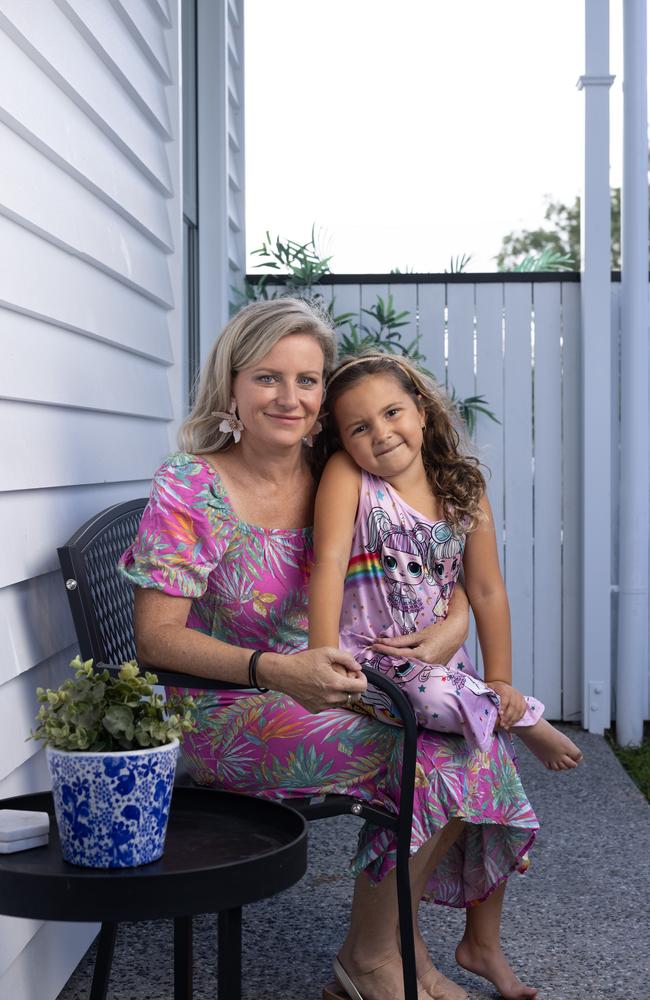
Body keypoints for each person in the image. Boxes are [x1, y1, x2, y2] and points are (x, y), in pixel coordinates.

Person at [118, 298, 542, 1000]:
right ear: (231, 386)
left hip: (346, 681)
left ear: (323, 396)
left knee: (461, 734)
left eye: (307, 380)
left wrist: (456, 620)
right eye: (267, 378)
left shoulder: (341, 468)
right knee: (434, 747)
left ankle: (381, 951)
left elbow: (440, 544)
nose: (289, 397)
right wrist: (276, 669)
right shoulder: (193, 486)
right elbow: (156, 637)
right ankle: (379, 959)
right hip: (233, 708)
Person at [309, 352, 584, 770]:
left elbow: (487, 590)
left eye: (392, 412)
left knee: (483, 749)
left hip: (441, 659)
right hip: (368, 656)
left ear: (422, 411)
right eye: (360, 428)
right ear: (344, 442)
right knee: (438, 701)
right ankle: (525, 718)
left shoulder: (464, 490)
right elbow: (328, 563)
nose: (381, 433)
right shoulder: (349, 475)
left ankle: (497, 709)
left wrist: (500, 679)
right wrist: (323, 656)